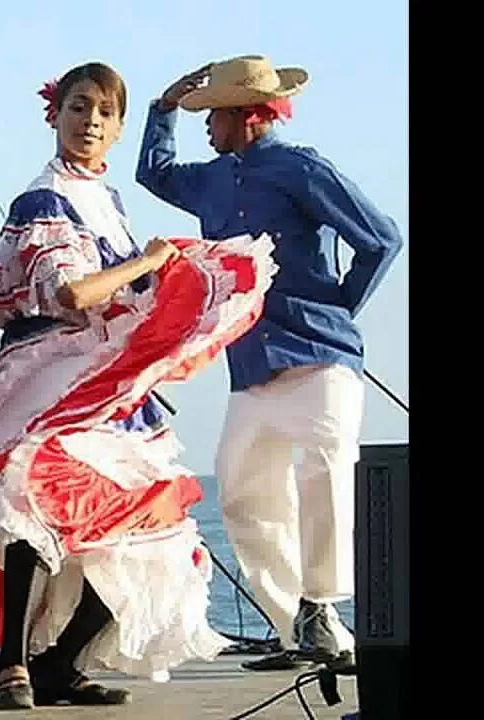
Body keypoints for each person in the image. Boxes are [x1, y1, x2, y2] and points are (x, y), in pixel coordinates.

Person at [0, 61, 273, 710]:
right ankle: (13, 666)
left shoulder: (104, 201)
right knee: (32, 497)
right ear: (54, 115)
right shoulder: (42, 197)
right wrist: (152, 263)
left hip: (102, 382)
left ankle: (56, 663)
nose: (90, 122)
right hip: (44, 375)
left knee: (146, 533)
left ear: (116, 131)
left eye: (104, 113)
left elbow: (122, 292)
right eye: (79, 108)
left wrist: (177, 284)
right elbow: (71, 291)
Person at [135, 55, 404, 672]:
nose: (206, 127)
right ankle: (299, 628)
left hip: (320, 360)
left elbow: (381, 237)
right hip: (252, 368)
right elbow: (155, 171)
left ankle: (323, 605)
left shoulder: (300, 167)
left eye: (213, 116)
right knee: (241, 494)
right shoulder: (213, 177)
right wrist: (163, 110)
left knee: (325, 476)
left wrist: (337, 305)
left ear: (243, 115)